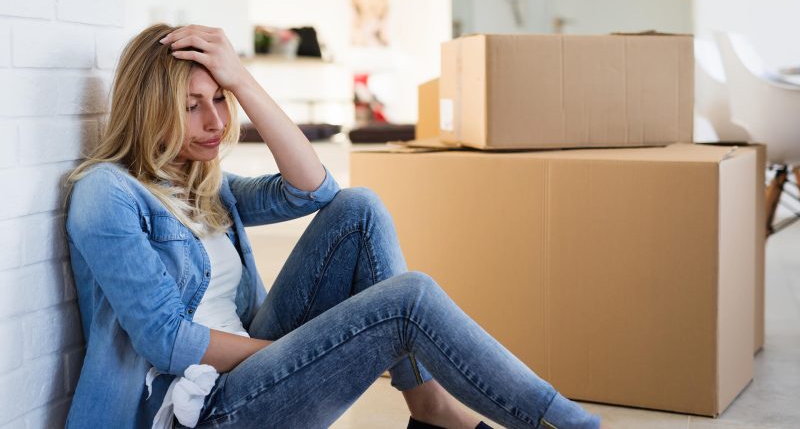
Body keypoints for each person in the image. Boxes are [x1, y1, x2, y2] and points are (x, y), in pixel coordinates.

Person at [63, 23, 601, 429]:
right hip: (199, 409)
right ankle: (564, 425)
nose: (218, 122)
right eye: (192, 106)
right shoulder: (105, 195)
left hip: (249, 369)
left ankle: (428, 407)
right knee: (407, 300)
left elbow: (314, 190)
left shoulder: (204, 185)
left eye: (221, 99)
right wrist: (306, 352)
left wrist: (243, 80)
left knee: (358, 209)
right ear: (151, 108)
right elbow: (167, 341)